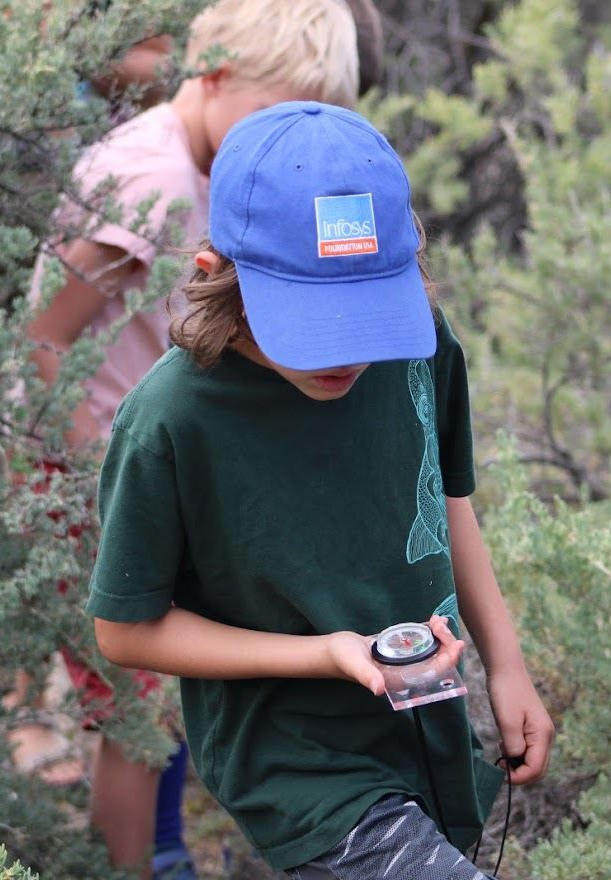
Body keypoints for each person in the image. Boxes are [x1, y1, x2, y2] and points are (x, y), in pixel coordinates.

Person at [86, 101, 555, 879]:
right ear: (219, 277)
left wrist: (506, 666)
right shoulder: (169, 422)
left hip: (429, 736)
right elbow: (125, 631)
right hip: (295, 761)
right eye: (312, 322)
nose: (346, 353)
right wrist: (325, 654)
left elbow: (445, 502)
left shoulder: (416, 345)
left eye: (365, 314)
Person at [18, 3, 362, 878]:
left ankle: (166, 849)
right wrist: (91, 482)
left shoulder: (219, 165)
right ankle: (132, 865)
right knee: (135, 709)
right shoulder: (158, 180)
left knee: (164, 692)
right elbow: (43, 340)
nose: (280, 149)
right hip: (85, 471)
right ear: (209, 76)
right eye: (269, 118)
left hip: (152, 465)